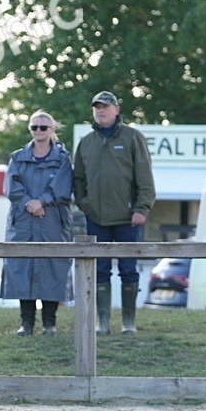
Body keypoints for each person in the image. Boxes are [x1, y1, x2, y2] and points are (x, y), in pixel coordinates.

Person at [73, 90, 156, 334]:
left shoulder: (132, 137)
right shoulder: (86, 142)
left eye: (106, 106)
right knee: (100, 269)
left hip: (128, 218)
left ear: (116, 110)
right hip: (96, 218)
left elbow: (145, 177)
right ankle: (103, 322)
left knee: (128, 269)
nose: (101, 111)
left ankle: (128, 322)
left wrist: (141, 208)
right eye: (97, 107)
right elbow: (78, 179)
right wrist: (85, 204)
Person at [0, 111, 74, 336]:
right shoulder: (18, 157)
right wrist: (29, 203)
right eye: (34, 127)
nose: (38, 131)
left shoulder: (62, 158)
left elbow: (64, 186)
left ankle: (50, 323)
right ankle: (26, 323)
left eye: (43, 127)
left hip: (52, 221)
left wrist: (42, 201)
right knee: (23, 267)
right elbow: (11, 186)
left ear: (52, 130)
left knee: (53, 267)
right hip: (24, 221)